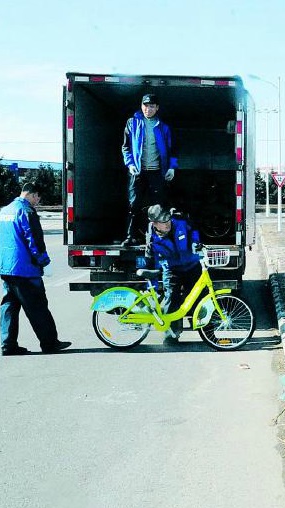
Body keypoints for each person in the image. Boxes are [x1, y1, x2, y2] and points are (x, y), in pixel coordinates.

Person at [0, 183, 72, 356]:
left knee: (9, 307)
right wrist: (44, 262)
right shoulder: (26, 211)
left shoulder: (5, 211)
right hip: (24, 269)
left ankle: (8, 345)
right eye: (37, 199)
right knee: (37, 307)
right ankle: (50, 343)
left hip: (6, 267)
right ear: (33, 195)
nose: (37, 202)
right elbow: (34, 240)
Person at [121, 93, 178, 246]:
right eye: (145, 106)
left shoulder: (163, 127)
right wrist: (130, 164)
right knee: (134, 204)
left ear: (157, 108)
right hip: (138, 172)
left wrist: (172, 167)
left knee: (159, 206)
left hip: (156, 171)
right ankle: (130, 236)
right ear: (141, 106)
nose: (148, 109)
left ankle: (160, 238)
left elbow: (172, 149)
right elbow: (126, 147)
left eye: (152, 106)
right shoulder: (132, 123)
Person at [144, 204, 202, 344]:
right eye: (163, 222)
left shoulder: (180, 221)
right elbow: (150, 263)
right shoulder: (152, 239)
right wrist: (153, 287)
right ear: (154, 224)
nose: (167, 223)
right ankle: (171, 335)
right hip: (172, 269)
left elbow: (194, 229)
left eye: (168, 219)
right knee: (171, 299)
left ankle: (208, 331)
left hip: (192, 265)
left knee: (201, 299)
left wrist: (195, 241)